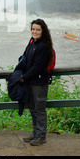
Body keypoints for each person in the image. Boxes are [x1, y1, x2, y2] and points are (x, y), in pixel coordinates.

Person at [16, 18, 54, 146]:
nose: (35, 31)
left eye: (38, 29)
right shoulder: (32, 42)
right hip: (30, 81)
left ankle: (41, 135)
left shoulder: (43, 46)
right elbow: (25, 56)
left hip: (39, 82)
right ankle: (35, 133)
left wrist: (24, 77)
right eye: (33, 29)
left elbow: (37, 67)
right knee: (32, 108)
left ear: (43, 31)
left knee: (39, 109)